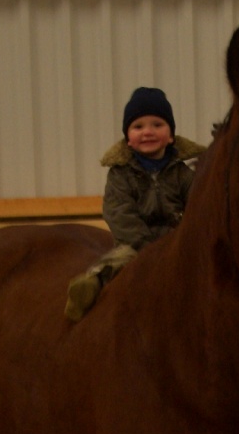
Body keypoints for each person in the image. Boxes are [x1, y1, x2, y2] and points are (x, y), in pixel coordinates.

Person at [65, 87, 205, 321]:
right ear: (128, 139)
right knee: (119, 260)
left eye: (157, 125)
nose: (147, 132)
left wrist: (183, 237)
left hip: (174, 240)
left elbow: (197, 206)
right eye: (138, 127)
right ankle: (91, 285)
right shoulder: (120, 175)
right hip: (135, 242)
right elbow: (119, 213)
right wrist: (148, 246)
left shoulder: (182, 173)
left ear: (170, 135)